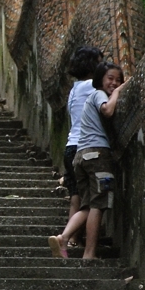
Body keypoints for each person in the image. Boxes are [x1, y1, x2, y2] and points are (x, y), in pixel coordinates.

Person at [48, 61, 128, 259]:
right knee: (98, 205)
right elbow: (108, 110)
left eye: (118, 80)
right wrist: (119, 91)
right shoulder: (99, 94)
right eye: (110, 78)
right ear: (100, 78)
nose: (114, 83)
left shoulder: (88, 97)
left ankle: (63, 238)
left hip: (81, 156)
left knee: (87, 205)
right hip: (97, 156)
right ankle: (89, 253)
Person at [61, 46, 104, 226]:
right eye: (100, 63)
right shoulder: (90, 87)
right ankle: (69, 236)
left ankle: (72, 240)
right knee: (89, 201)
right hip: (84, 146)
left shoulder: (75, 88)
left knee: (76, 196)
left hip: (70, 147)